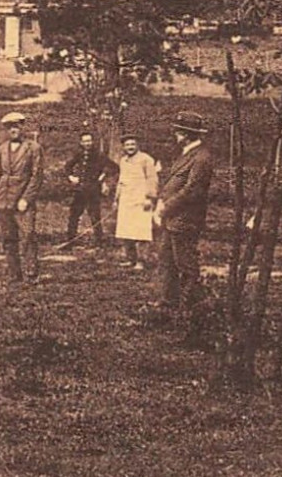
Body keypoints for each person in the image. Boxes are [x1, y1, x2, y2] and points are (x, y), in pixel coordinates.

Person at [156, 110, 216, 340]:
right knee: (167, 264)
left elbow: (193, 191)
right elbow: (175, 183)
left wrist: (166, 206)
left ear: (188, 134)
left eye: (179, 132)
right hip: (173, 220)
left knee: (186, 267)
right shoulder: (187, 153)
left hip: (186, 220)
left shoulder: (202, 158)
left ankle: (192, 314)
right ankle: (168, 307)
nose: (175, 135)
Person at [0, 111, 42, 288]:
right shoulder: (2, 148)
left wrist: (27, 198)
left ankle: (31, 274)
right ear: (6, 130)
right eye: (10, 127)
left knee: (28, 236)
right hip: (3, 199)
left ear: (22, 127)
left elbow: (36, 176)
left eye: (17, 125)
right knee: (8, 239)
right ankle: (14, 275)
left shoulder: (33, 148)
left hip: (22, 200)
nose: (13, 130)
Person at [113, 134, 160, 270]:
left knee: (141, 231)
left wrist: (149, 198)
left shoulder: (146, 159)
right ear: (123, 147)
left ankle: (141, 260)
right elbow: (121, 181)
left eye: (132, 144)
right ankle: (130, 259)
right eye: (127, 145)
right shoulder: (123, 160)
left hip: (141, 200)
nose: (130, 147)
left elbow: (152, 180)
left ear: (137, 145)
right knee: (126, 230)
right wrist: (116, 199)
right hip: (126, 200)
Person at [62, 131, 112, 250]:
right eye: (84, 141)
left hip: (93, 190)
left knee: (95, 215)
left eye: (89, 141)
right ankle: (70, 240)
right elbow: (67, 166)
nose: (87, 143)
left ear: (93, 141)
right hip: (79, 190)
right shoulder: (78, 154)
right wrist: (71, 177)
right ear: (81, 142)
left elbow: (112, 166)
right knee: (74, 214)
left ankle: (99, 242)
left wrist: (103, 176)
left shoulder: (98, 155)